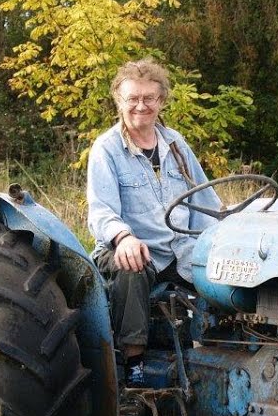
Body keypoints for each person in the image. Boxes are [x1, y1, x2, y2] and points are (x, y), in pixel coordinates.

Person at [86, 58, 223, 387]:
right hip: (129, 248)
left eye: (149, 98)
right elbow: (101, 211)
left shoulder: (175, 143)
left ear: (161, 101)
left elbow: (203, 199)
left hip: (180, 249)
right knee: (130, 267)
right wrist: (124, 237)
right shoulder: (106, 149)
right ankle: (133, 367)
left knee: (225, 270)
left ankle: (219, 355)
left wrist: (226, 230)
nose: (140, 106)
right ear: (119, 101)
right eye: (132, 99)